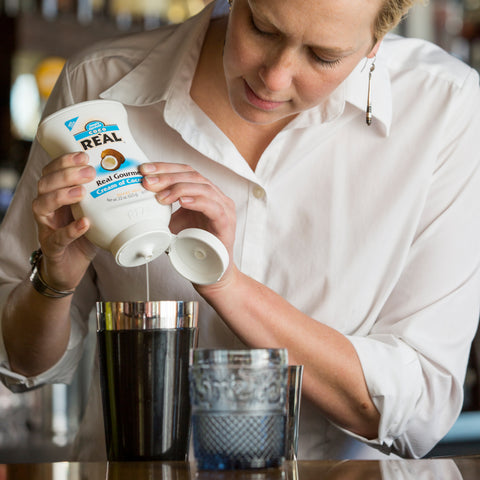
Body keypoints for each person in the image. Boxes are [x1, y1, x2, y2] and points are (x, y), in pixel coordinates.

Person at [0, 0, 479, 461]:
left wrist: (227, 285)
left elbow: (419, 411)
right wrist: (52, 285)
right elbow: (20, 365)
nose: (274, 77)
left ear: (376, 41)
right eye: (262, 28)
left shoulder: (446, 109)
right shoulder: (98, 86)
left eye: (323, 56)